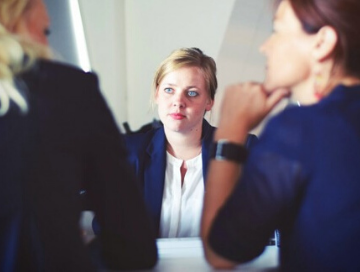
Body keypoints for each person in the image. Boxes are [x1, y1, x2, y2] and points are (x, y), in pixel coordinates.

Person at [201, 0, 360, 271]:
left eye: (277, 31)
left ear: (322, 43)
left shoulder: (299, 130)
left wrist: (230, 128)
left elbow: (221, 253)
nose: (265, 46)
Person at [0, 0, 157, 271]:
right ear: (15, 17)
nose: (47, 47)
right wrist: (73, 250)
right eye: (45, 32)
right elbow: (134, 246)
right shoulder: (68, 90)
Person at [124, 47, 257, 238]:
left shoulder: (243, 149)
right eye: (169, 90)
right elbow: (106, 229)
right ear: (157, 94)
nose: (178, 101)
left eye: (192, 93)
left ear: (209, 101)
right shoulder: (128, 153)